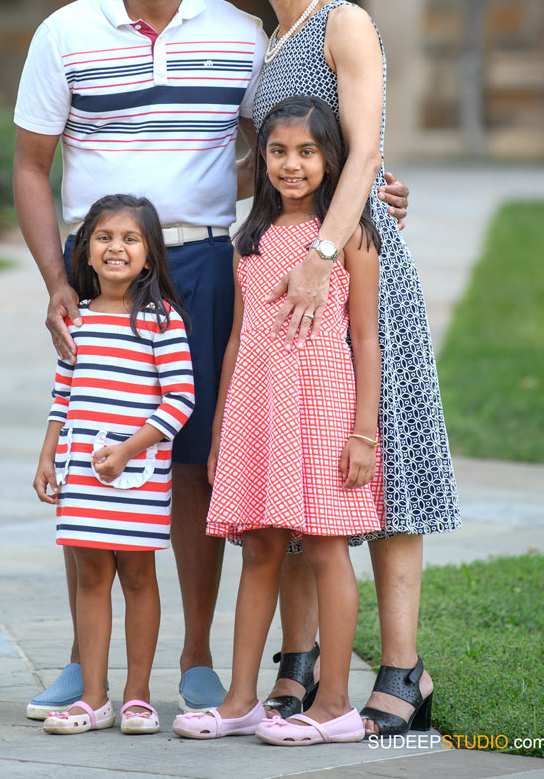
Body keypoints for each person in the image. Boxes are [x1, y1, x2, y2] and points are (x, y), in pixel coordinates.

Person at [14, 0, 409, 717]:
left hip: (202, 262)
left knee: (196, 460)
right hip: (104, 273)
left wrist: (358, 182)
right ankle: (85, 666)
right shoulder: (64, 32)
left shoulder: (240, 36)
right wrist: (57, 279)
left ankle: (197, 658)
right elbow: (28, 164)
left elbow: (287, 143)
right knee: (94, 439)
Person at [217, 0, 460, 736]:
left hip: (348, 264)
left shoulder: (342, 21)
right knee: (295, 474)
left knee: (380, 458)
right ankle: (299, 662)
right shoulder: (265, 34)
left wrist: (325, 254)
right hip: (288, 267)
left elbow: (363, 152)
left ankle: (403, 670)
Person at [173, 96, 386, 746]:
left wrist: (364, 431)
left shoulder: (350, 235)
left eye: (306, 151)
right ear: (260, 158)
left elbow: (367, 339)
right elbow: (237, 339)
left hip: (323, 408)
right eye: (278, 151)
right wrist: (219, 433)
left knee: (323, 545)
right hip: (255, 412)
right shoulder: (250, 237)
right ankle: (241, 699)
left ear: (331, 160)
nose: (291, 164)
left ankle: (336, 706)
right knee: (261, 546)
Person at [32, 194, 194, 736]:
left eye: (130, 238)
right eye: (104, 237)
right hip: (82, 470)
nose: (116, 248)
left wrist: (128, 449)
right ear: (85, 250)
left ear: (150, 254)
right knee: (90, 578)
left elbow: (180, 400)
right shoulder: (75, 315)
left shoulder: (160, 319)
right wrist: (49, 454)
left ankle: (137, 697)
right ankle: (93, 699)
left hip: (138, 473)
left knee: (139, 579)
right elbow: (64, 391)